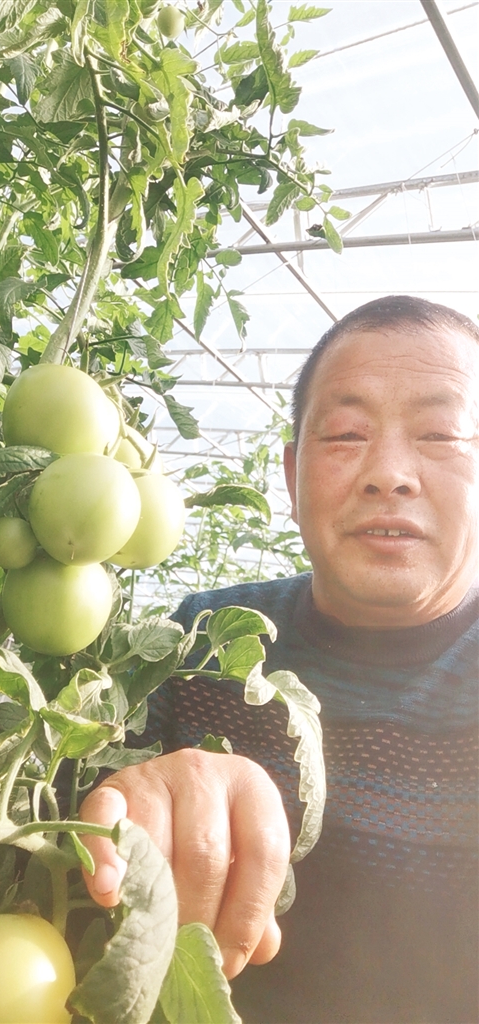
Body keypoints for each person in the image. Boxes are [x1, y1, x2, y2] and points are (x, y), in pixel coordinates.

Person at [80, 295, 479, 1024]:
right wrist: (124, 803)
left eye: (440, 434)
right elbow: (68, 833)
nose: (389, 474)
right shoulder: (200, 638)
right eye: (346, 434)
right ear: (293, 477)